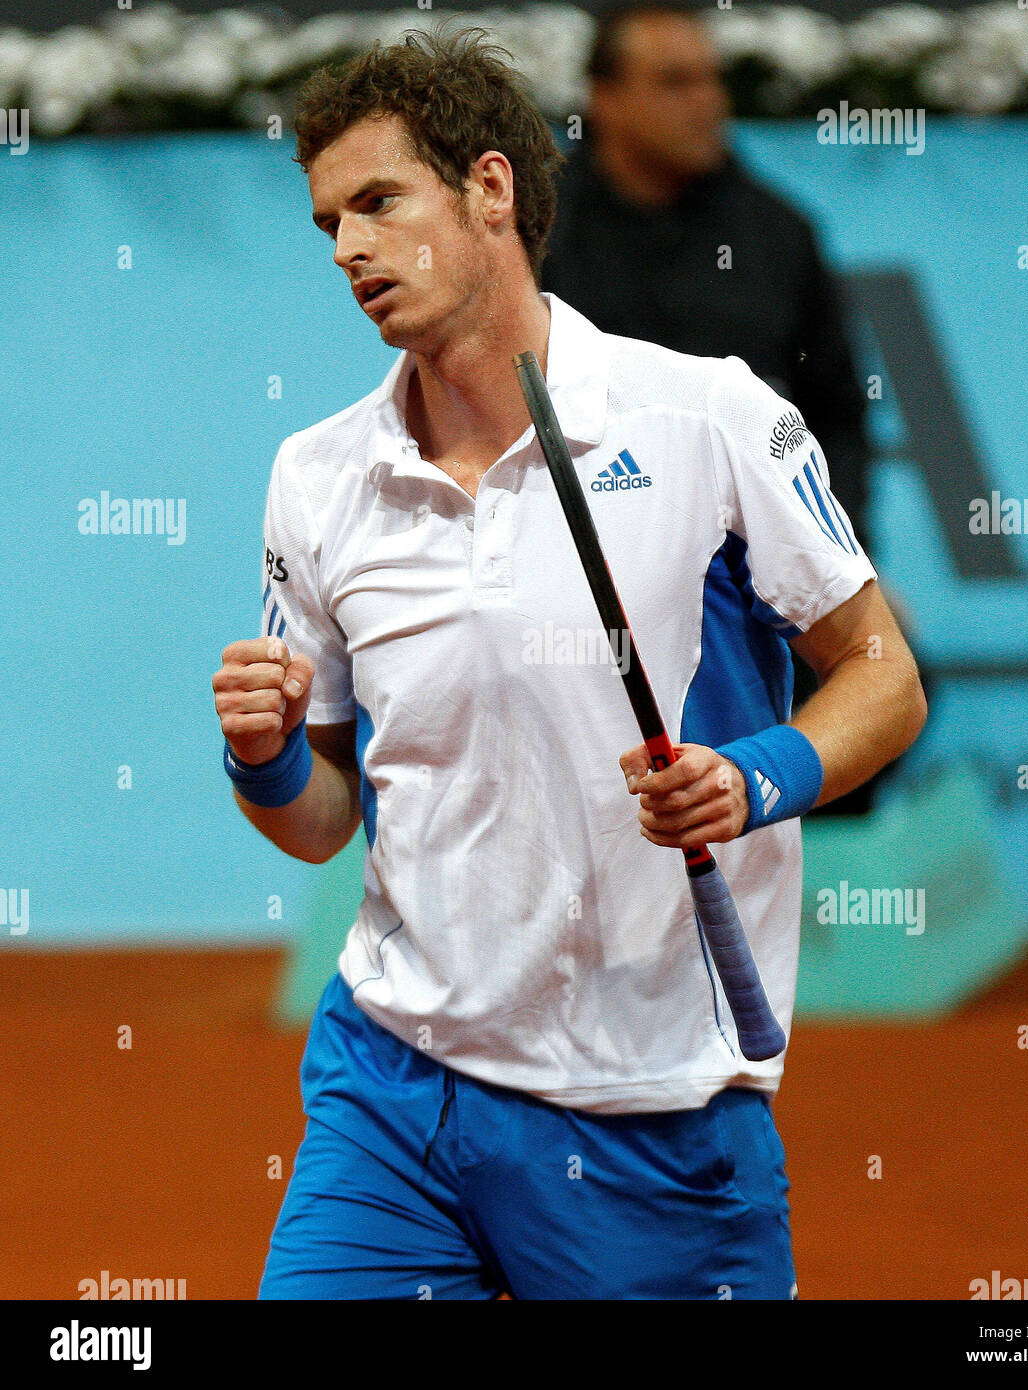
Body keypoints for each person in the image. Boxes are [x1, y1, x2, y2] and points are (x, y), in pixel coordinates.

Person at [212, 28, 926, 1301]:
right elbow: (322, 824)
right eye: (327, 221)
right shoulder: (313, 476)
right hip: (393, 1087)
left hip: (646, 1112)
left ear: (490, 188)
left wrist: (752, 775)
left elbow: (882, 672)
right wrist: (262, 757)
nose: (348, 249)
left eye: (379, 202)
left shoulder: (707, 418)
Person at [542, 0, 884, 814]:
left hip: (758, 565)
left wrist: (845, 565)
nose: (706, 103)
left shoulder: (778, 233)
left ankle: (798, 916)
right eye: (673, 82)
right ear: (604, 98)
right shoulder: (533, 231)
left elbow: (837, 416)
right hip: (573, 573)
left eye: (711, 80)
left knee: (874, 672)